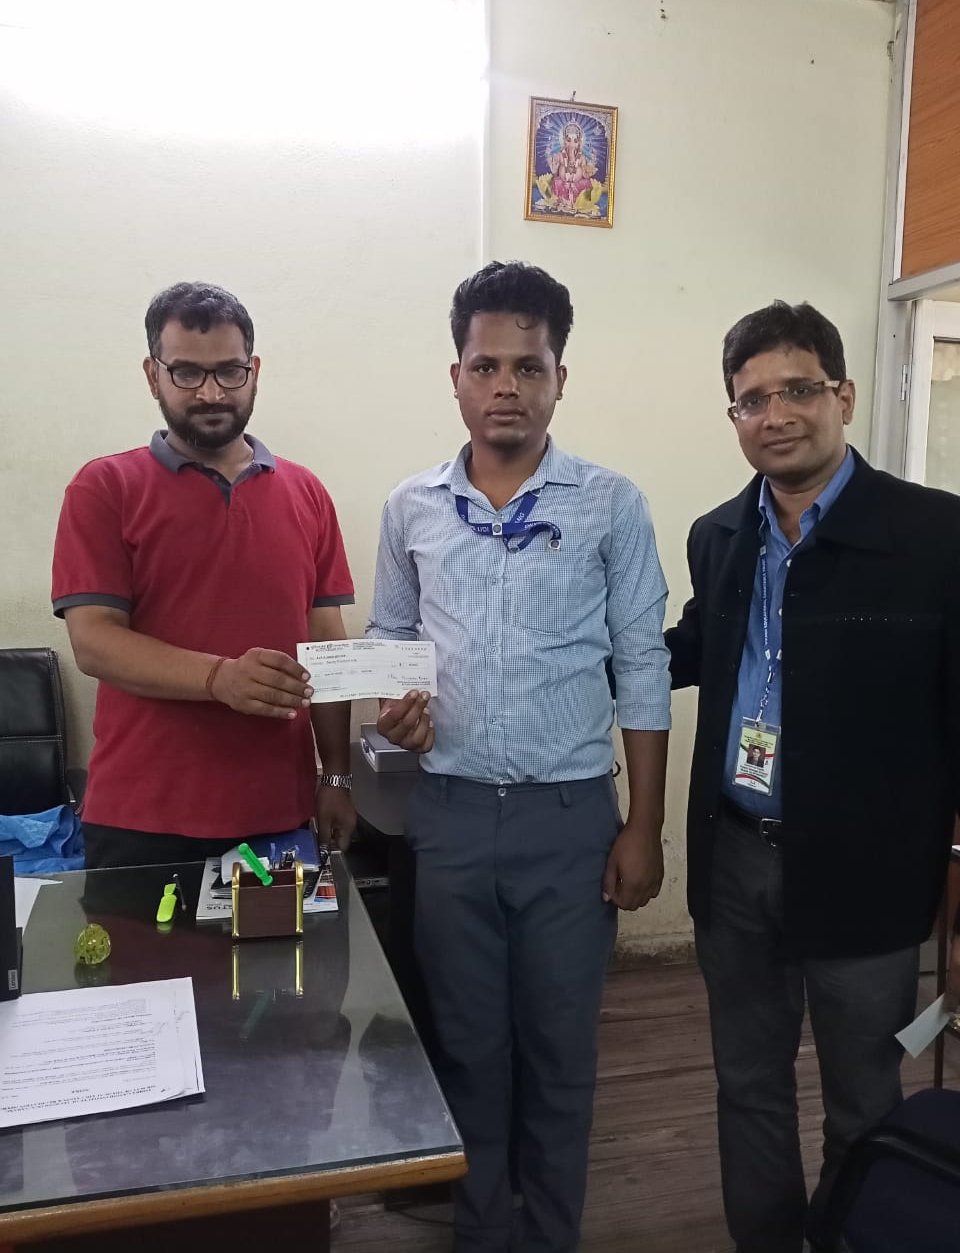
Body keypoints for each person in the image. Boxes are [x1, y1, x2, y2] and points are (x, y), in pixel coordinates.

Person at [367, 261, 671, 1253]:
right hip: (449, 814)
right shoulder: (411, 507)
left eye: (528, 367)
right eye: (486, 366)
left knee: (559, 1052)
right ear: (455, 377)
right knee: (465, 1046)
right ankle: (480, 1230)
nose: (507, 386)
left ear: (559, 379)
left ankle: (549, 1235)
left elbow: (643, 665)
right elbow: (391, 640)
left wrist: (644, 825)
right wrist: (395, 714)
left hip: (569, 821)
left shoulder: (610, 504)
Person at [665, 300, 960, 1253]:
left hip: (868, 871)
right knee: (747, 1087)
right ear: (735, 417)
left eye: (798, 389)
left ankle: (848, 1237)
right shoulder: (719, 535)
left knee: (864, 1098)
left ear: (845, 395)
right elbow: (690, 648)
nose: (776, 414)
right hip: (736, 859)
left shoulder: (935, 536)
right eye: (751, 399)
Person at [52, 282, 357, 869]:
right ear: (153, 375)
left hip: (279, 812)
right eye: (187, 373)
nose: (212, 392)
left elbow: (326, 648)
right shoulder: (104, 488)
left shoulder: (308, 494)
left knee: (294, 940)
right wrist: (220, 678)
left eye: (229, 372)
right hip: (140, 818)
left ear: (254, 372)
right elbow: (94, 642)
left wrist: (336, 776)